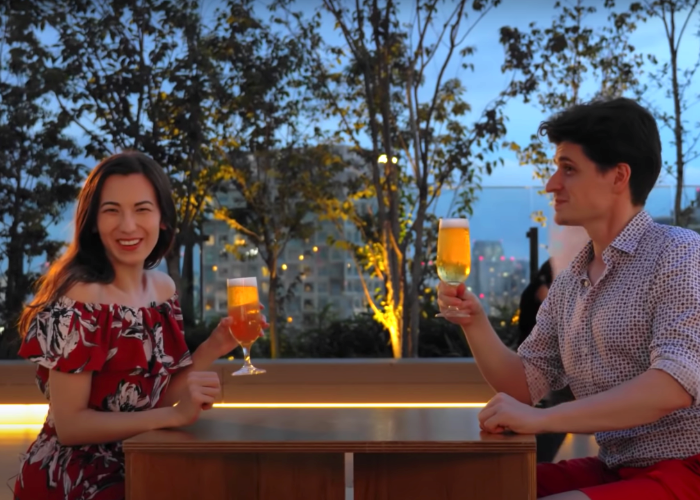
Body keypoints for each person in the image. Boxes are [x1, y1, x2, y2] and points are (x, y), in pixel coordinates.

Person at [438, 97, 700, 500]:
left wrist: (541, 421)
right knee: (468, 488)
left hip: (688, 470)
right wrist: (474, 322)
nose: (551, 184)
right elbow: (524, 385)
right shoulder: (571, 281)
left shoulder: (680, 254)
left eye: (568, 169)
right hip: (617, 467)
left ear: (618, 177)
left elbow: (672, 387)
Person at [12, 152, 265, 499]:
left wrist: (215, 345)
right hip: (76, 477)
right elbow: (70, 427)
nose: (128, 225)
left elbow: (151, 398)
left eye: (142, 209)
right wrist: (174, 418)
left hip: (143, 457)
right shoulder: (81, 298)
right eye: (112, 210)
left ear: (162, 219)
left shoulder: (163, 290)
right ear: (93, 223)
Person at [517, 259, 572, 463]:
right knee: (553, 424)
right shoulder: (544, 292)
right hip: (545, 369)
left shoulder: (534, 289)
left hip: (538, 366)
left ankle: (532, 468)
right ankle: (533, 468)